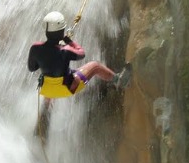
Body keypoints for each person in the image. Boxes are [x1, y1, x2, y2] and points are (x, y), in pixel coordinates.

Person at [27, 11, 131, 140]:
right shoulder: (65, 50)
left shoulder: (35, 48)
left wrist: (46, 61)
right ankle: (119, 80)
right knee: (95, 66)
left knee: (52, 88)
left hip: (47, 89)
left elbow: (32, 68)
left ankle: (42, 127)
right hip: (68, 88)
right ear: (62, 31)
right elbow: (81, 53)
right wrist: (69, 41)